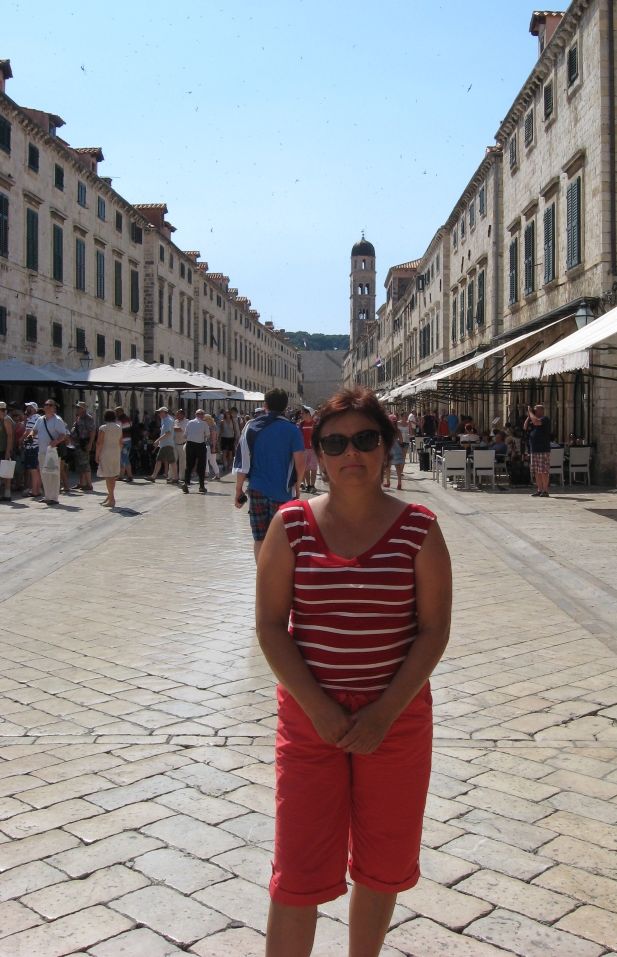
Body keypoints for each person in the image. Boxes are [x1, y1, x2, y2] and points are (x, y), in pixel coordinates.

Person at [255, 386, 452, 956]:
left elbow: (434, 629)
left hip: (395, 719)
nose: (352, 453)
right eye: (335, 443)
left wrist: (383, 713)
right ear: (317, 452)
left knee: (382, 864)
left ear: (387, 446)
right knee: (298, 869)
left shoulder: (419, 528)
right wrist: (318, 709)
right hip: (309, 719)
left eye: (366, 439)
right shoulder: (291, 524)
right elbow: (270, 626)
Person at [234, 388, 306, 562]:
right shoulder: (293, 429)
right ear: (286, 407)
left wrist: (238, 489)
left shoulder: (252, 427)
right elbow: (300, 462)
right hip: (283, 491)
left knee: (259, 538)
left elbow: (243, 460)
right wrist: (297, 487)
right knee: (281, 539)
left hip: (257, 488)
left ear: (265, 406)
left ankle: (262, 574)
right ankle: (277, 573)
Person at [33, 400, 68, 506]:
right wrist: (31, 435)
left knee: (53, 474)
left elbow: (63, 434)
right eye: (46, 405)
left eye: (50, 405)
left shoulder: (57, 420)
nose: (48, 406)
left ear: (54, 408)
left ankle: (54, 497)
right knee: (44, 474)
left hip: (53, 451)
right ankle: (47, 496)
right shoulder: (40, 419)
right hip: (42, 451)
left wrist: (56, 441)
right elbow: (35, 430)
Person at [95, 409, 122, 508]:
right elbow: (120, 442)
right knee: (113, 475)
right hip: (116, 451)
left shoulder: (103, 428)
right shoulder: (119, 427)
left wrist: (97, 454)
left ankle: (112, 498)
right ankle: (110, 496)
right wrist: (118, 452)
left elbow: (99, 443)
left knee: (108, 475)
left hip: (106, 451)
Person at [525, 403, 551, 498]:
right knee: (537, 470)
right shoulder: (534, 419)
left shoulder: (545, 419)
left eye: (536, 410)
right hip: (534, 449)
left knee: (543, 470)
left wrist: (531, 413)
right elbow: (525, 427)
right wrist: (529, 416)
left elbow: (537, 422)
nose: (535, 411)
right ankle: (539, 489)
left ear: (541, 411)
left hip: (543, 449)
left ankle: (545, 490)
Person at [182, 408, 210, 494]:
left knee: (189, 465)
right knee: (201, 465)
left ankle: (186, 483)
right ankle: (201, 486)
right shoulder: (204, 423)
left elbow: (184, 436)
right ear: (203, 416)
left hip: (190, 444)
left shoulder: (190, 422)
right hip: (200, 445)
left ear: (195, 415)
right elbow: (208, 435)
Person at [71, 401, 96, 492]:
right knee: (79, 464)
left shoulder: (88, 418)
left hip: (84, 443)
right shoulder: (78, 418)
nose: (77, 409)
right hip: (77, 444)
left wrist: (90, 443)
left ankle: (89, 484)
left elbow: (92, 431)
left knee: (85, 463)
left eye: (78, 408)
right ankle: (81, 483)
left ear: (83, 409)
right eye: (76, 407)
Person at [147, 406, 176, 484]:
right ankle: (153, 476)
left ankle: (175, 477)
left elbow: (167, 433)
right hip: (163, 444)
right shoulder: (164, 420)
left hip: (168, 444)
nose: (159, 414)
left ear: (164, 412)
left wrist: (157, 440)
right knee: (158, 460)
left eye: (160, 412)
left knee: (172, 461)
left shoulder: (169, 421)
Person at [20, 402, 42, 498]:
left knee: (33, 469)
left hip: (32, 446)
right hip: (38, 445)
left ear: (33, 409)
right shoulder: (38, 418)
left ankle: (34, 491)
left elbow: (28, 432)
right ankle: (37, 489)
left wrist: (21, 440)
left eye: (28, 407)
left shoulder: (32, 419)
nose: (26, 408)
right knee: (37, 468)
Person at [298, 408, 318, 493]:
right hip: (304, 449)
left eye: (303, 413)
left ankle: (312, 485)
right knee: (306, 468)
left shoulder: (315, 424)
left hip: (313, 449)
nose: (301, 415)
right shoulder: (301, 424)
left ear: (309, 413)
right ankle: (308, 485)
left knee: (313, 468)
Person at [383, 414, 405, 490]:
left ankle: (388, 482)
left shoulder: (387, 431)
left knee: (388, 466)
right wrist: (397, 441)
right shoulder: (398, 430)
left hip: (389, 449)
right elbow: (401, 441)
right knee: (397, 466)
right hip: (397, 449)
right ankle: (399, 483)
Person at [115, 407, 134, 483]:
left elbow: (117, 432)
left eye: (116, 413)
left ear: (119, 413)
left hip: (122, 441)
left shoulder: (119, 421)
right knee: (123, 458)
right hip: (129, 440)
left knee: (124, 458)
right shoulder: (129, 419)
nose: (116, 414)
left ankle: (130, 476)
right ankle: (121, 476)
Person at [204, 414, 221, 481]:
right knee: (210, 461)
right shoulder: (210, 426)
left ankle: (207, 473)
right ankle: (215, 474)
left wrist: (214, 447)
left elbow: (214, 437)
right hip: (208, 444)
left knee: (209, 460)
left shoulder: (212, 426)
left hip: (210, 445)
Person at [172, 409, 187, 484]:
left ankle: (182, 476)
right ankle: (172, 476)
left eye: (178, 414)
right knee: (173, 461)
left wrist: (171, 428)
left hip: (182, 444)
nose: (176, 415)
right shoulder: (175, 422)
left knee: (182, 461)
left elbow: (180, 429)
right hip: (174, 444)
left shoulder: (186, 421)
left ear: (182, 415)